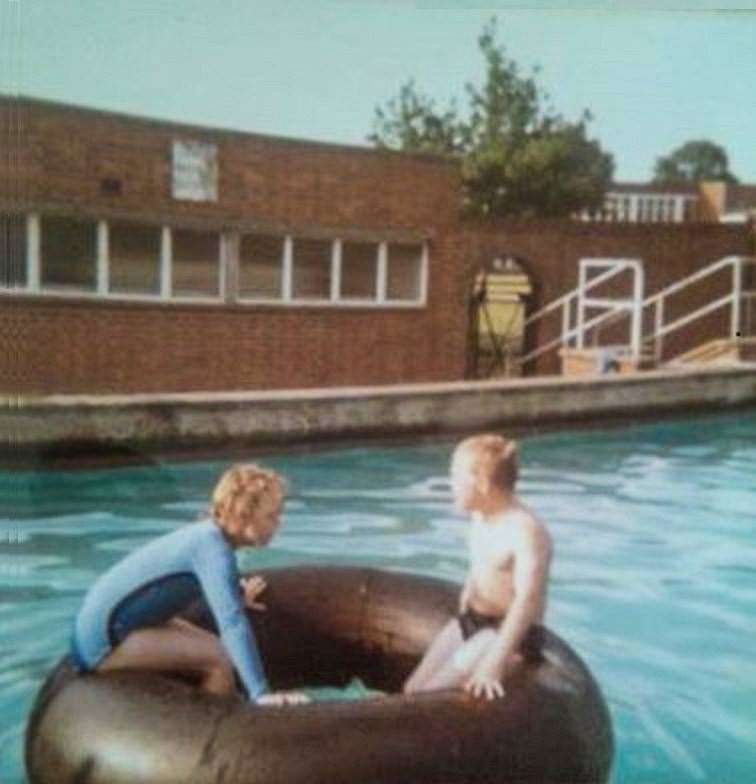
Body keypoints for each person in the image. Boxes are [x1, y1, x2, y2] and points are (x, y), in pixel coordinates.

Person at [68, 463, 309, 707]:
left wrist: (237, 594)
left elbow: (216, 583)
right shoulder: (213, 550)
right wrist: (261, 693)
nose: (279, 523)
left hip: (113, 625)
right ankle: (214, 731)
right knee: (219, 659)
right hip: (100, 645)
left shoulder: (207, 537)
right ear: (244, 515)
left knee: (215, 648)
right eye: (271, 516)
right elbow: (232, 623)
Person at [404, 434, 552, 700]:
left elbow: (526, 601)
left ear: (482, 484)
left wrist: (492, 664)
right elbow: (484, 561)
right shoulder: (480, 514)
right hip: (473, 619)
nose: (450, 485)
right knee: (411, 691)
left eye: (456, 477)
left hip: (506, 633)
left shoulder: (526, 532)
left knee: (424, 699)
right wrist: (470, 589)